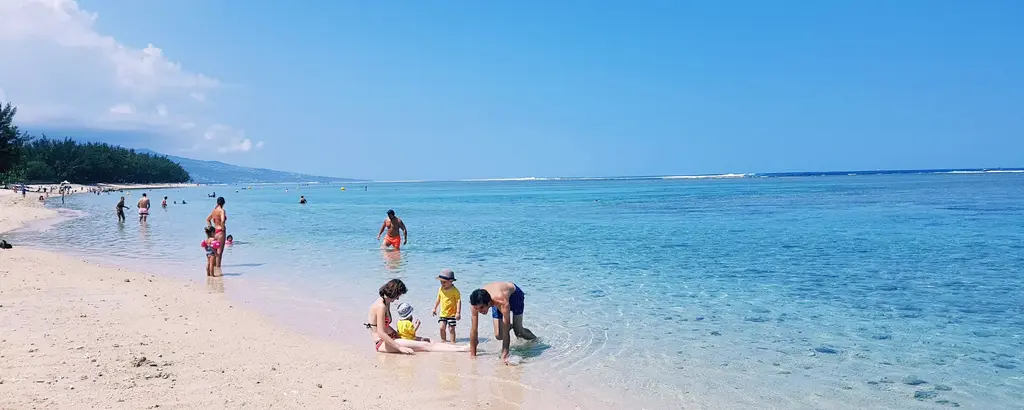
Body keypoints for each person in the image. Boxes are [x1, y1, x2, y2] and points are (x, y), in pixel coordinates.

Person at [365, 279, 467, 354]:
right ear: (394, 292)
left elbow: (385, 326)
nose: (398, 298)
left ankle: (459, 347)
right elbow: (381, 332)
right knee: (425, 346)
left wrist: (398, 335)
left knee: (427, 340)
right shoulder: (381, 306)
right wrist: (399, 347)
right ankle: (462, 350)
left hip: (392, 337)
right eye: (398, 295)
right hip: (382, 342)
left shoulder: (386, 302)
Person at [469, 282, 537, 362]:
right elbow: (474, 330)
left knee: (518, 331)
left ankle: (535, 339)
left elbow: (506, 333)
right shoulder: (475, 304)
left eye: (481, 307)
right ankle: (511, 326)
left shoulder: (501, 301)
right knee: (499, 335)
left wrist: (504, 354)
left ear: (488, 303)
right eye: (477, 308)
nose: (480, 311)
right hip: (495, 296)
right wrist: (473, 355)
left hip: (515, 296)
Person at [432, 268, 462, 343]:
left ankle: (453, 342)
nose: (442, 283)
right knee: (441, 328)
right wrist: (434, 308)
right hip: (443, 313)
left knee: (451, 329)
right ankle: (443, 341)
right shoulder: (440, 289)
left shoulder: (455, 290)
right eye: (441, 281)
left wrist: (458, 312)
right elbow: (438, 299)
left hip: (452, 313)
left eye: (444, 282)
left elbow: (458, 301)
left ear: (451, 281)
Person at [205, 197, 227, 267]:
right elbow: (223, 220)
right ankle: (218, 268)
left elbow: (208, 219)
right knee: (219, 252)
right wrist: (223, 228)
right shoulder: (222, 211)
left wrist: (211, 228)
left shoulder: (214, 211)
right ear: (223, 203)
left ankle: (213, 267)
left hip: (215, 232)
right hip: (221, 231)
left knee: (214, 251)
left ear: (217, 202)